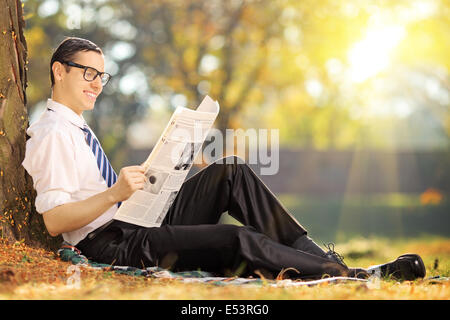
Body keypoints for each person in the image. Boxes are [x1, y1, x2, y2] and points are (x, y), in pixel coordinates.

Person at [22, 37, 426, 281]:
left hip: (132, 219)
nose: (97, 84)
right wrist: (115, 194)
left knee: (230, 170)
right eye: (87, 74)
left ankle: (323, 260)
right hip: (111, 245)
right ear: (59, 71)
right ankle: (350, 278)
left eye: (101, 76)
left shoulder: (77, 126)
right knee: (235, 240)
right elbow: (56, 221)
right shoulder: (51, 132)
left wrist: (158, 175)